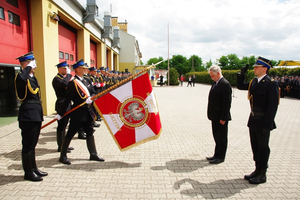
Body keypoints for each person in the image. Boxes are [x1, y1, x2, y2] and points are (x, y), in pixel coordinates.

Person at [237, 56, 279, 184]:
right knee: (255, 146)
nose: (255, 69)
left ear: (265, 69)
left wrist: (268, 124)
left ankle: (262, 174)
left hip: (263, 121)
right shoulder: (254, 82)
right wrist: (241, 74)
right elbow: (240, 86)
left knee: (263, 148)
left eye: (257, 67)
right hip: (254, 119)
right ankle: (257, 170)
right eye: (254, 67)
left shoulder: (271, 83)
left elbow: (273, 106)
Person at [55, 59, 104, 165]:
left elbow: (93, 92)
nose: (86, 69)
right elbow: (67, 99)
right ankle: (63, 155)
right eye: (83, 68)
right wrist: (60, 113)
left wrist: (91, 98)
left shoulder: (87, 80)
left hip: (88, 111)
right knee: (70, 133)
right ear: (77, 69)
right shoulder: (73, 83)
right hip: (78, 113)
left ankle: (93, 154)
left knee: (90, 132)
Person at [14, 52, 48, 181]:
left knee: (33, 144)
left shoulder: (32, 77)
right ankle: (28, 173)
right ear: (26, 63)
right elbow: (22, 80)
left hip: (35, 114)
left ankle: (34, 168)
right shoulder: (21, 77)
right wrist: (27, 67)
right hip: (27, 115)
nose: (35, 65)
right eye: (32, 62)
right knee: (28, 144)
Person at [206, 65, 232, 164]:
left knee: (221, 137)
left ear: (218, 73)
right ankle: (216, 154)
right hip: (214, 116)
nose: (211, 78)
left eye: (212, 76)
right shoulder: (216, 83)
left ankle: (220, 157)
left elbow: (227, 103)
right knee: (216, 136)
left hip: (221, 117)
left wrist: (223, 117)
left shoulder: (225, 84)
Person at [52, 61, 74, 153]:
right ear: (60, 69)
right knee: (61, 126)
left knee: (65, 125)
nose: (67, 70)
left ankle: (64, 145)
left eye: (67, 69)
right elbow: (64, 84)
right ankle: (60, 146)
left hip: (67, 103)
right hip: (61, 104)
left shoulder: (63, 78)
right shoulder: (56, 79)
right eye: (65, 69)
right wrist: (69, 75)